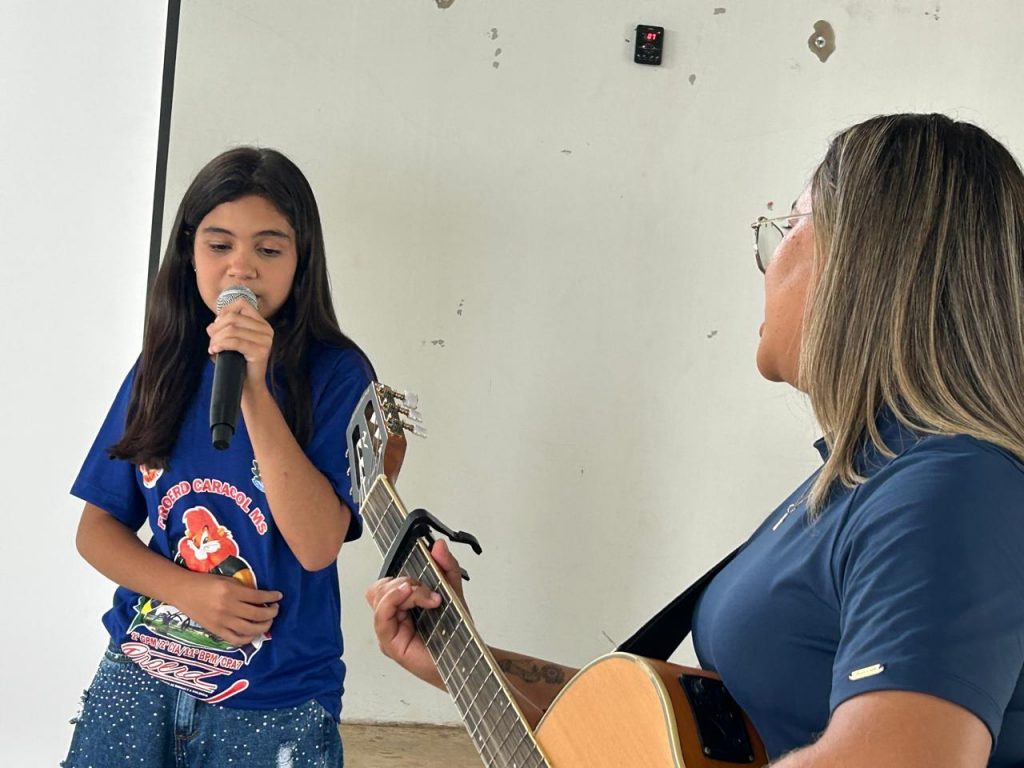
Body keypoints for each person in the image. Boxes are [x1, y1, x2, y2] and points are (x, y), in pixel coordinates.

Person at [366, 114, 1024, 767]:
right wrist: (466, 659)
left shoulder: (948, 488)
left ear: (862, 263)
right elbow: (704, 730)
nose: (765, 266)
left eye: (788, 228)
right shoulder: (865, 479)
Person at [64, 147, 373, 767]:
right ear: (190, 252)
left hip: (274, 699)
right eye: (219, 244)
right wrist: (189, 593)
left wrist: (254, 387)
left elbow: (316, 545)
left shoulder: (339, 375)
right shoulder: (162, 366)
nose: (242, 266)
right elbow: (97, 531)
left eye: (269, 248)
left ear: (300, 259)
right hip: (141, 673)